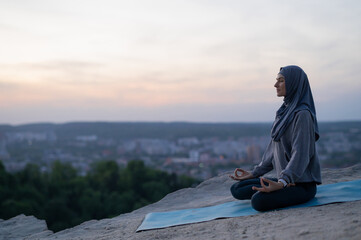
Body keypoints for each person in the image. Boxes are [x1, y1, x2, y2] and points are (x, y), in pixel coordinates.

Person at [229, 65, 322, 212]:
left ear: (293, 83)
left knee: (259, 201)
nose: (275, 85)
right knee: (238, 188)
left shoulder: (302, 114)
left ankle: (281, 187)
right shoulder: (284, 112)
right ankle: (279, 186)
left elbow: (301, 155)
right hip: (284, 181)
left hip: (301, 184)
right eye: (276, 80)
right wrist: (254, 173)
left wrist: (283, 182)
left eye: (281, 81)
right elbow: (273, 151)